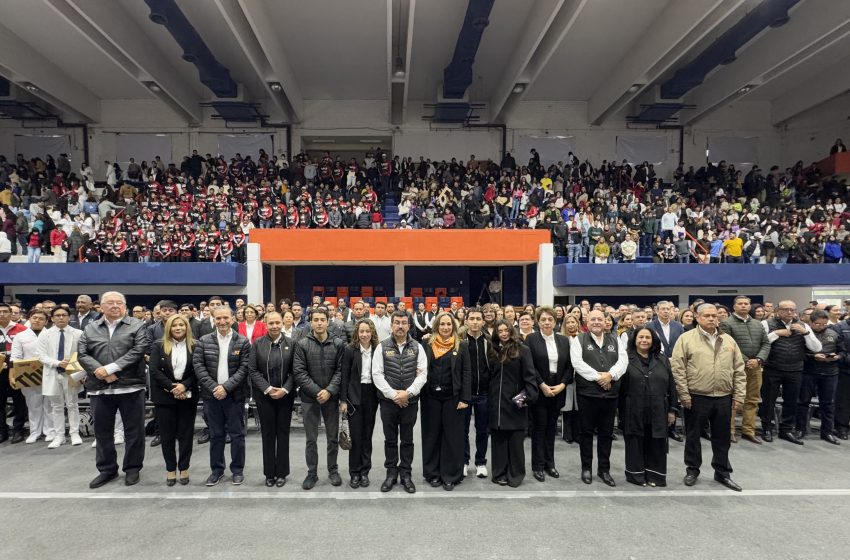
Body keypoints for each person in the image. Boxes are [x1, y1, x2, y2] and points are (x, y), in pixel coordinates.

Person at [78, 291, 151, 488]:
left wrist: (111, 368)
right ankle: (107, 469)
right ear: (101, 307)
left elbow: (138, 350)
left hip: (130, 386)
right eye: (110, 303)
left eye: (120, 303)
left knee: (134, 431)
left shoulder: (137, 325)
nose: (115, 306)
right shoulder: (91, 328)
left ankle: (133, 468)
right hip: (99, 388)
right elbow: (82, 354)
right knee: (102, 432)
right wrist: (99, 371)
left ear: (125, 307)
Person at [671, 304, 746, 492]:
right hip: (696, 397)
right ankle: (692, 470)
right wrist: (684, 394)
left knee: (722, 438)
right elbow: (678, 369)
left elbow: (739, 369)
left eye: (714, 316)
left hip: (723, 396)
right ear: (697, 317)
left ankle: (722, 472)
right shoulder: (686, 339)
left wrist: (738, 395)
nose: (712, 319)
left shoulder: (728, 340)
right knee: (693, 436)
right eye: (707, 316)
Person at [193, 305, 251, 486]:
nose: (222, 321)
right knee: (216, 434)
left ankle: (237, 470)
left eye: (226, 318)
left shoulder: (242, 342)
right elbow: (199, 367)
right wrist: (214, 388)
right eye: (218, 318)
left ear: (233, 319)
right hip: (212, 396)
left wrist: (226, 388)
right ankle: (217, 470)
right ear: (213, 320)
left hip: (234, 396)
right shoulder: (203, 341)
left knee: (236, 435)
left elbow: (244, 369)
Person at [570, 309, 628, 486]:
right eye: (593, 319)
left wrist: (610, 375)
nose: (596, 322)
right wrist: (599, 377)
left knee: (606, 434)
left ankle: (604, 470)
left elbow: (623, 361)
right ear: (586, 322)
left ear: (605, 322)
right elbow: (577, 363)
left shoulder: (615, 339)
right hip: (587, 394)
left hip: (610, 395)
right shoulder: (579, 339)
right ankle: (586, 468)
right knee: (586, 433)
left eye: (599, 319)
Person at [371, 310, 427, 493]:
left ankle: (406, 475)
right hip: (388, 403)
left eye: (404, 322)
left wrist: (408, 393)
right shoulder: (382, 347)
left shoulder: (418, 347)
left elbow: (423, 374)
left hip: (409, 403)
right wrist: (394, 395)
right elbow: (376, 374)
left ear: (409, 326)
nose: (400, 326)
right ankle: (391, 474)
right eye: (397, 322)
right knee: (390, 440)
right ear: (391, 325)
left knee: (407, 440)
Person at [293, 307, 345, 490]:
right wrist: (317, 392)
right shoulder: (302, 344)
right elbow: (299, 372)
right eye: (316, 320)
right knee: (311, 439)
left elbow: (340, 371)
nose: (319, 323)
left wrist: (329, 391)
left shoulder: (338, 344)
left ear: (328, 321)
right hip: (310, 398)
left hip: (331, 398)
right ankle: (312, 473)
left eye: (323, 319)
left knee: (332, 438)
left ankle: (333, 470)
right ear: (311, 322)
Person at [421, 312, 471, 491]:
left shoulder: (462, 345)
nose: (445, 327)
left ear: (454, 326)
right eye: (442, 324)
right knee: (431, 435)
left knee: (452, 437)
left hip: (453, 398)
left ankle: (450, 475)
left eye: (449, 324)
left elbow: (466, 373)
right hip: (430, 397)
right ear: (436, 326)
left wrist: (465, 398)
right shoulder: (426, 344)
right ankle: (432, 473)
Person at [760, 300, 821, 444]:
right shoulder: (766, 324)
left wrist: (805, 332)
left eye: (792, 310)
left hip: (795, 369)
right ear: (777, 310)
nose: (789, 312)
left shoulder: (804, 326)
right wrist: (775, 333)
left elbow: (816, 348)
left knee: (791, 401)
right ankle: (767, 428)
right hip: (772, 368)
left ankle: (786, 430)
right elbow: (761, 344)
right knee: (768, 401)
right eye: (785, 309)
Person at [622, 328, 677, 487]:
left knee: (657, 443)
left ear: (653, 340)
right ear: (634, 339)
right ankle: (636, 476)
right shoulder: (625, 358)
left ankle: (655, 476)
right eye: (641, 337)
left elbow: (671, 386)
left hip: (659, 408)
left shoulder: (662, 359)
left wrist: (672, 409)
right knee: (635, 443)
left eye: (647, 337)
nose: (644, 340)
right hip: (633, 408)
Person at [149, 314, 199, 485]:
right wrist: (173, 387)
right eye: (174, 325)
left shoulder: (195, 345)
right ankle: (171, 469)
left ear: (187, 327)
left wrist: (184, 386)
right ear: (168, 327)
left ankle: (184, 467)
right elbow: (155, 371)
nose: (178, 328)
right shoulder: (158, 345)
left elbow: (197, 371)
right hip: (165, 397)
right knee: (167, 435)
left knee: (186, 435)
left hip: (187, 395)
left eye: (182, 325)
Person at [487, 319, 538, 487]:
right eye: (499, 331)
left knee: (516, 443)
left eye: (506, 330)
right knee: (499, 442)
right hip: (496, 404)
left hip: (515, 403)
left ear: (511, 331)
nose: (503, 333)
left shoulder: (523, 350)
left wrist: (525, 398)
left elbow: (530, 377)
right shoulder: (493, 351)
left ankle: (516, 475)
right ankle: (499, 473)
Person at [248, 312, 296, 487]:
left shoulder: (292, 344)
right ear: (265, 324)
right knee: (268, 434)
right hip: (264, 396)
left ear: (283, 323)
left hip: (285, 396)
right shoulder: (257, 344)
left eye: (278, 323)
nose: (275, 326)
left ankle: (282, 472)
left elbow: (295, 371)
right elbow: (252, 370)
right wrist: (267, 389)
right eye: (271, 323)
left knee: (283, 433)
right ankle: (269, 473)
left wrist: (284, 389)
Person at [525, 306, 572, 482]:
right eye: (543, 319)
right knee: (539, 429)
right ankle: (537, 466)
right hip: (540, 390)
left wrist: (562, 384)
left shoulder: (563, 341)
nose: (546, 322)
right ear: (538, 321)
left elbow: (569, 366)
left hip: (558, 389)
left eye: (550, 319)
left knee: (551, 429)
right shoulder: (531, 339)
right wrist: (542, 384)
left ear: (555, 321)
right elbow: (530, 366)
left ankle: (549, 464)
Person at [719, 296, 771, 444]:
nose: (743, 306)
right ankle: (730, 431)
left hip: (756, 366)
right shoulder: (726, 323)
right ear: (734, 306)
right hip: (734, 367)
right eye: (740, 304)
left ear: (750, 306)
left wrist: (759, 360)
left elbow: (766, 344)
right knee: (733, 399)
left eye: (746, 304)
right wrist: (747, 360)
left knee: (752, 400)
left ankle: (749, 430)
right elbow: (727, 345)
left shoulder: (757, 324)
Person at [340, 318, 381, 488]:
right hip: (354, 396)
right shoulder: (350, 350)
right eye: (361, 331)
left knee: (367, 436)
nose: (364, 334)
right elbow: (344, 376)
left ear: (372, 333)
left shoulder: (378, 349)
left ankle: (365, 472)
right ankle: (354, 473)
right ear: (357, 333)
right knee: (355, 437)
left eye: (367, 331)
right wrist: (343, 400)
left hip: (371, 395)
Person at [37, 307, 85, 448]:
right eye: (57, 315)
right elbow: (41, 355)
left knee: (72, 404)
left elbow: (82, 353)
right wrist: (58, 363)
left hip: (71, 373)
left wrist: (71, 364)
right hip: (52, 372)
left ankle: (74, 433)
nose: (61, 318)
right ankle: (59, 435)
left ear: (69, 317)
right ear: (52, 318)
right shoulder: (45, 334)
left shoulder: (78, 333)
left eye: (64, 315)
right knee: (56, 406)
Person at [795, 310, 841, 445]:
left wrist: (838, 356)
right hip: (808, 372)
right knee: (803, 402)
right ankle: (800, 429)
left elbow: (842, 351)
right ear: (810, 322)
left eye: (824, 324)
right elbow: (800, 353)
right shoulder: (803, 334)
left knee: (828, 404)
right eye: (817, 324)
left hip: (830, 373)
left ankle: (827, 432)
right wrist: (812, 356)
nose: (821, 326)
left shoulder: (834, 333)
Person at [10, 310, 53, 444]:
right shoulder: (20, 336)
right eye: (34, 318)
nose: (37, 321)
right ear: (29, 319)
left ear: (46, 322)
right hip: (28, 373)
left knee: (49, 404)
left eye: (41, 319)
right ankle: (35, 432)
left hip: (49, 372)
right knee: (33, 404)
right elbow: (15, 357)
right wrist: (13, 375)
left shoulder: (52, 335)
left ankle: (50, 431)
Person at [463, 307, 491, 478]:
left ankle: (480, 462)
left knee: (482, 431)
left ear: (483, 321)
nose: (474, 322)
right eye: (471, 318)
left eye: (478, 318)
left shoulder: (488, 341)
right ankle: (464, 461)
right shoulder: (460, 341)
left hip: (484, 394)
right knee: (462, 430)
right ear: (466, 321)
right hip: (465, 395)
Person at [0, 302, 29, 444]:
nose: (2, 314)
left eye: (5, 311)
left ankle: (18, 429)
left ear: (11, 313)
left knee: (19, 401)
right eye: (0, 311)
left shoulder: (22, 329)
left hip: (17, 369)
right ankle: (2, 430)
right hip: (0, 371)